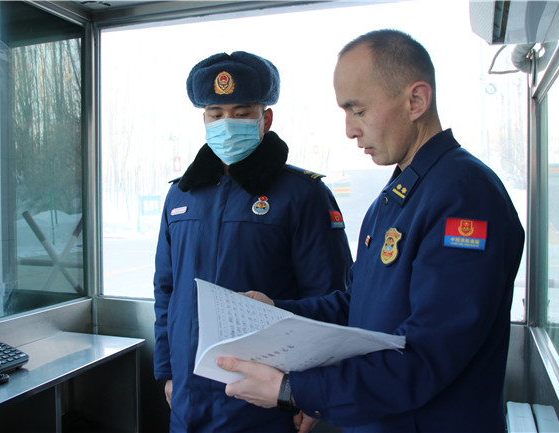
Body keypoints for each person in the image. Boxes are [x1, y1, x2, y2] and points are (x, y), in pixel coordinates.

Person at [217, 30, 525, 433]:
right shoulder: (399, 195)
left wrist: (293, 389)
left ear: (416, 101)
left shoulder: (463, 196)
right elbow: (360, 306)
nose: (349, 130)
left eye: (358, 110)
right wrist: (275, 311)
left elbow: (428, 355)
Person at [153, 51, 353, 433]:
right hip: (187, 399)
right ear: (204, 119)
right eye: (215, 114)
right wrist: (167, 371)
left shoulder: (303, 195)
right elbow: (166, 291)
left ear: (266, 119)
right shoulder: (181, 196)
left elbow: (331, 301)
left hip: (265, 401)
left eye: (242, 113)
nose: (226, 124)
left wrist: (309, 391)